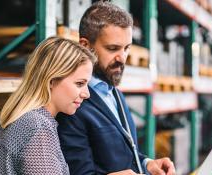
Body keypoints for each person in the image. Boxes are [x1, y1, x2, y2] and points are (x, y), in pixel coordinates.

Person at [56, 1, 176, 175]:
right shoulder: (72, 104)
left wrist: (147, 163)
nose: (122, 58)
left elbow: (125, 153)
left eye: (126, 48)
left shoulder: (114, 92)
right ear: (85, 46)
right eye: (113, 49)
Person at [0, 37, 96, 175]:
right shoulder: (37, 126)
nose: (87, 94)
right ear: (51, 81)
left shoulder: (24, 120)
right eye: (79, 83)